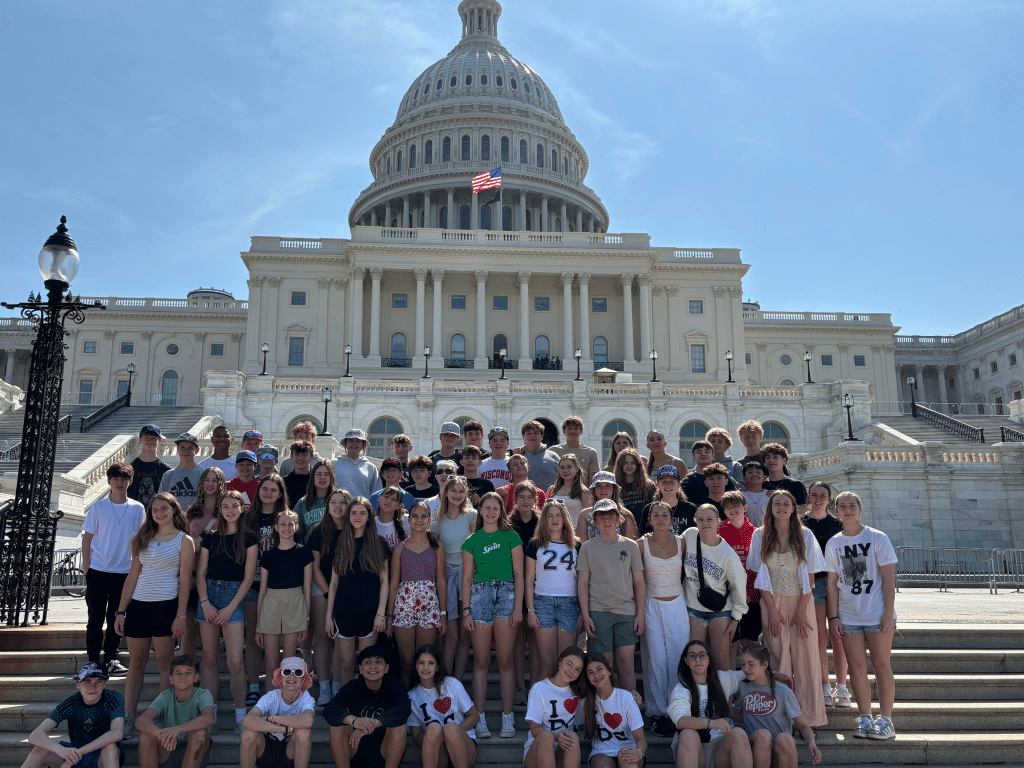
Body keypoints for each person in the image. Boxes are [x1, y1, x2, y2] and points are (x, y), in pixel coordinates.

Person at [114, 492, 195, 735]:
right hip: (138, 606)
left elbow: (184, 581)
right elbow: (132, 576)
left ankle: (159, 716)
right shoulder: (143, 538)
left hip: (166, 606)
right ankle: (129, 716)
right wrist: (121, 611)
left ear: (174, 510)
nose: (159, 513)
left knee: (164, 666)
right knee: (136, 664)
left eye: (164, 508)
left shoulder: (185, 540)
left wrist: (181, 615)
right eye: (154, 509)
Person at [745, 490, 827, 727]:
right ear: (770, 508)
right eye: (777, 503)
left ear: (793, 509)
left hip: (802, 601)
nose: (781, 507)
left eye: (786, 503)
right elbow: (760, 577)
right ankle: (782, 718)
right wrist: (772, 611)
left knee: (806, 659)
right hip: (772, 604)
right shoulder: (760, 536)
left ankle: (810, 718)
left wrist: (802, 612)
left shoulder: (806, 535)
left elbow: (810, 577)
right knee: (778, 657)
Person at [825, 491, 898, 740]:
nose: (847, 509)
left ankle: (886, 719)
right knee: (856, 667)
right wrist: (833, 617)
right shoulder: (834, 543)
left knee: (880, 664)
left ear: (860, 509)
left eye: (852, 505)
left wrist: (888, 613)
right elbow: (833, 583)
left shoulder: (877, 537)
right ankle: (865, 716)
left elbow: (889, 578)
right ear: (836, 511)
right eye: (842, 506)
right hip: (849, 615)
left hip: (876, 613)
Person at [461, 491, 525, 739]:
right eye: (486, 508)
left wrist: (518, 607)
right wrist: (466, 610)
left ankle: (508, 719)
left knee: (505, 661)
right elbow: (467, 578)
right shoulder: (472, 540)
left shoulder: (512, 537)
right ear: (480, 511)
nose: (490, 512)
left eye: (495, 508)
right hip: (480, 596)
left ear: (501, 511)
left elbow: (519, 574)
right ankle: (480, 719)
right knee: (481, 661)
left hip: (507, 594)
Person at [196, 490, 258, 733]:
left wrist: (231, 608)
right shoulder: (210, 538)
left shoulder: (250, 539)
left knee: (234, 661)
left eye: (235, 505)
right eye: (225, 506)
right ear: (219, 509)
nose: (230, 510)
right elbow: (200, 574)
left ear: (243, 508)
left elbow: (248, 578)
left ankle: (241, 715)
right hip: (209, 596)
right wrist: (205, 602)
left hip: (235, 598)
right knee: (210, 658)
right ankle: (208, 715)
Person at [83, 461, 146, 677]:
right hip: (98, 570)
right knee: (95, 617)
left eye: (124, 479)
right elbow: (87, 537)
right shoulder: (98, 507)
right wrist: (86, 566)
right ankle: (92, 661)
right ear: (109, 481)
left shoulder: (138, 508)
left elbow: (141, 540)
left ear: (130, 481)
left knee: (116, 617)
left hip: (125, 573)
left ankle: (111, 658)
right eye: (115, 479)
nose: (120, 483)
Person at [578, 499, 645, 695]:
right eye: (601, 517)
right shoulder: (587, 547)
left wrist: (640, 614)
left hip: (626, 612)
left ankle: (630, 710)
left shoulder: (631, 546)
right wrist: (586, 614)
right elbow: (582, 583)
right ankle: (604, 710)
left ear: (618, 519)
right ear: (595, 521)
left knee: (626, 664)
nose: (606, 520)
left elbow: (639, 582)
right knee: (603, 666)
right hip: (599, 612)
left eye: (611, 516)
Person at [637, 500, 689, 738]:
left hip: (677, 605)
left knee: (679, 658)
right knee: (656, 660)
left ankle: (680, 709)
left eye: (664, 515)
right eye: (655, 515)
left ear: (671, 519)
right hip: (651, 606)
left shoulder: (683, 542)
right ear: (649, 520)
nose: (659, 519)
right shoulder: (640, 545)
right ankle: (659, 712)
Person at [327, 497, 390, 683]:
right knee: (346, 662)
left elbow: (385, 580)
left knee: (367, 663)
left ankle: (364, 704)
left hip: (370, 611)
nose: (357, 516)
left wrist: (381, 613)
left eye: (362, 513)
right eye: (353, 512)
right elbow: (333, 583)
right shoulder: (339, 543)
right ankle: (346, 705)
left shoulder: (379, 543)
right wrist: (328, 616)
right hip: (344, 610)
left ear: (369, 517)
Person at [801, 481, 850, 708]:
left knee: (839, 637)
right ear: (809, 498)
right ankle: (824, 686)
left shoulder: (838, 525)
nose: (818, 499)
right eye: (814, 495)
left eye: (823, 495)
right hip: (814, 582)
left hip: (838, 584)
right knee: (820, 636)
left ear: (830, 499)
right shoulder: (801, 524)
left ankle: (842, 687)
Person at [682, 504, 747, 674]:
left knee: (720, 660)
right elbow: (671, 547)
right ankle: (698, 698)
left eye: (709, 519)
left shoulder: (728, 554)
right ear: (695, 521)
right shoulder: (689, 536)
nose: (705, 523)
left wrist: (736, 618)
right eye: (701, 519)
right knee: (694, 658)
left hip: (720, 611)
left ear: (718, 521)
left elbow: (739, 586)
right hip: (693, 607)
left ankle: (726, 700)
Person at [243, 473, 291, 706]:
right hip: (252, 584)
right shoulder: (247, 518)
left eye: (274, 489)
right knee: (254, 637)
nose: (269, 493)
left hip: (280, 586)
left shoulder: (286, 519)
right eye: (265, 489)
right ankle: (254, 686)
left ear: (281, 493)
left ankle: (282, 689)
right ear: (258, 492)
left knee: (281, 642)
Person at [20, 662, 124, 768]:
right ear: (78, 685)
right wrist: (61, 750)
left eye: (99, 681)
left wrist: (79, 752)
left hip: (99, 755)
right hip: (74, 753)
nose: (93, 687)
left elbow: (117, 733)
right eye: (87, 682)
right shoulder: (73, 702)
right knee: (40, 748)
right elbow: (34, 735)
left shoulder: (113, 699)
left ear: (105, 683)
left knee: (111, 747)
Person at [667, 640, 752, 768]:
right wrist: (711, 723)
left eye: (702, 655)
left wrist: (773, 676)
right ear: (686, 661)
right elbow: (680, 721)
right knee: (688, 734)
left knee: (738, 734)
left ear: (708, 660)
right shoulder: (681, 689)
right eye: (692, 656)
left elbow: (750, 673)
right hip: (694, 749)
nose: (698, 659)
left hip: (720, 748)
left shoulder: (722, 678)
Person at [387, 501, 447, 680]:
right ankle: (407, 704)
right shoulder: (400, 548)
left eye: (423, 517)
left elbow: (441, 582)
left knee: (424, 659)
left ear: (429, 520)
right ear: (409, 519)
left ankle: (424, 703)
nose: (419, 520)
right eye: (415, 516)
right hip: (404, 606)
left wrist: (443, 613)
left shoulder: (438, 548)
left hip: (429, 607)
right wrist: (389, 616)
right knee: (406, 662)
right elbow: (393, 583)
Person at [526, 500, 581, 692]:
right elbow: (528, 579)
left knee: (566, 662)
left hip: (570, 604)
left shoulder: (576, 545)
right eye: (549, 516)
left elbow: (582, 582)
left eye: (559, 515)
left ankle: (566, 712)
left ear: (565, 519)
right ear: (544, 520)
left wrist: (582, 611)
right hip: (543, 604)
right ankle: (541, 710)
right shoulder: (535, 545)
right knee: (547, 663)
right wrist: (530, 609)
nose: (554, 519)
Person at [324, 646, 411, 768]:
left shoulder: (395, 687)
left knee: (399, 726)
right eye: (367, 662)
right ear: (360, 669)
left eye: (379, 662)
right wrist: (355, 721)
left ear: (386, 668)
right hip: (355, 746)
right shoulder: (352, 687)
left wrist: (375, 723)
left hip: (384, 750)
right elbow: (329, 709)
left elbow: (404, 709)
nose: (373, 667)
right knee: (337, 725)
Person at [738, 644, 821, 767]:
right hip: (755, 746)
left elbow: (803, 725)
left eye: (751, 664)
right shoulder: (743, 686)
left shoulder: (783, 691)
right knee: (763, 735)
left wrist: (812, 743)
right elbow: (743, 713)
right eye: (743, 664)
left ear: (765, 665)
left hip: (779, 749)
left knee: (785, 739)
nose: (745, 668)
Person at [257, 509, 314, 690]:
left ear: (296, 527)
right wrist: (259, 625)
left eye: (291, 524)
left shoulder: (304, 553)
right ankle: (270, 705)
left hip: (296, 603)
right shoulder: (268, 556)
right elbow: (262, 591)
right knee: (271, 663)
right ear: (276, 527)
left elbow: (307, 588)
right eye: (283, 524)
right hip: (271, 604)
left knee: (289, 662)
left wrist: (305, 620)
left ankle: (288, 706)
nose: (287, 528)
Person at [431, 475, 477, 681]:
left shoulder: (472, 516)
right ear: (445, 493)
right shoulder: (436, 522)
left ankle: (457, 682)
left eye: (461, 491)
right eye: (453, 491)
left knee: (464, 635)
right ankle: (445, 680)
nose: (457, 495)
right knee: (451, 635)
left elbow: (475, 549)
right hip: (446, 577)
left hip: (468, 576)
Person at [308, 489, 352, 705]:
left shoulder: (354, 530)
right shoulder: (318, 532)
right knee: (323, 637)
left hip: (347, 591)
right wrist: (327, 592)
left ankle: (337, 685)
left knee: (340, 639)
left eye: (342, 503)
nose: (337, 507)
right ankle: (324, 686)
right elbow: (314, 567)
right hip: (322, 588)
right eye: (333, 502)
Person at [406, 644, 479, 768]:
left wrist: (452, 733)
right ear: (416, 666)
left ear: (437, 667)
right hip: (437, 750)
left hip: (463, 745)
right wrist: (435, 735)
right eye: (421, 663)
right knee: (434, 728)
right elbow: (417, 737)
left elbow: (474, 716)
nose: (425, 667)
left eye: (431, 663)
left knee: (450, 728)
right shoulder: (412, 696)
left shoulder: (452, 684)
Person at [137, 655, 215, 768]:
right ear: (171, 679)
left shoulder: (202, 694)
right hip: (168, 748)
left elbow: (209, 718)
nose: (183, 677)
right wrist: (161, 735)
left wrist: (178, 729)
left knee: (199, 734)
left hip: (195, 752)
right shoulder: (166, 696)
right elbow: (142, 720)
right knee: (146, 736)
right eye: (178, 673)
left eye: (188, 673)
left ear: (196, 677)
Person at [180, 467, 226, 659]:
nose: (210, 484)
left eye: (214, 480)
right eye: (206, 480)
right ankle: (186, 673)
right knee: (188, 632)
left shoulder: (226, 510)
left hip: (215, 577)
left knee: (213, 636)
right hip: (191, 576)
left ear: (221, 484)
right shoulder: (191, 511)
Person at [239, 657, 315, 768]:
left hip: (291, 752)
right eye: (287, 672)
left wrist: (272, 718)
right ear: (280, 676)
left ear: (303, 678)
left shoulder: (306, 698)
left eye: (298, 673)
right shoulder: (272, 696)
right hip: (265, 750)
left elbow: (308, 721)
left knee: (304, 732)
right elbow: (248, 721)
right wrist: (283, 729)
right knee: (248, 734)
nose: (292, 676)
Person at [716, 491, 762, 666]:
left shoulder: (756, 534)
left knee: (750, 641)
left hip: (752, 596)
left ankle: (752, 680)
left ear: (745, 508)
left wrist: (748, 592)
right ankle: (730, 689)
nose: (732, 510)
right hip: (728, 598)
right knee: (730, 641)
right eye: (728, 507)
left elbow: (758, 567)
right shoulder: (720, 532)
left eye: (736, 506)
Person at [523, 646, 585, 768]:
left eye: (577, 669)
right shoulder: (539, 688)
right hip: (539, 749)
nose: (572, 671)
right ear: (559, 661)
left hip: (563, 750)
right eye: (569, 664)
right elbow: (535, 729)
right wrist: (556, 736)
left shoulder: (577, 692)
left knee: (572, 736)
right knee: (546, 737)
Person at [581, 653, 646, 768]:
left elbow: (641, 739)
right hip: (602, 752)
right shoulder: (586, 701)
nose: (596, 675)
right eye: (590, 672)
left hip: (630, 749)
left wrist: (639, 751)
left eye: (599, 669)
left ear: (609, 671)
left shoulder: (625, 698)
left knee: (626, 758)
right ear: (588, 679)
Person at [510, 480, 542, 703]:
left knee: (537, 639)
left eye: (529, 498)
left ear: (535, 500)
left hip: (539, 584)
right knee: (518, 639)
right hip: (513, 583)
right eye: (521, 497)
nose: (525, 501)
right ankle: (520, 686)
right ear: (515, 499)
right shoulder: (508, 524)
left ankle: (536, 686)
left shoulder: (543, 523)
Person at [577, 472, 638, 544]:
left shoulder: (626, 514)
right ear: (594, 490)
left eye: (608, 486)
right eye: (599, 486)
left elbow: (630, 545)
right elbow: (582, 545)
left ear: (613, 489)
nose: (603, 489)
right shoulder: (584, 515)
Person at [637, 465, 696, 536]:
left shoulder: (690, 508)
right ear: (658, 484)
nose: (668, 485)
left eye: (672, 482)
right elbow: (643, 535)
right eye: (664, 482)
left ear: (679, 484)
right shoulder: (649, 509)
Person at [680, 442, 735, 509]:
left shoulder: (725, 479)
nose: (703, 454)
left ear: (713, 456)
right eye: (699, 452)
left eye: (707, 452)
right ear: (694, 457)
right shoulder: (687, 482)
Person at [547, 454, 593, 531]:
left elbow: (588, 517)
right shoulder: (552, 490)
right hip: (554, 532)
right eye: (562, 467)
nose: (565, 471)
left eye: (569, 467)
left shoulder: (584, 492)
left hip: (575, 532)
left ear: (577, 469)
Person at [158, 432, 203, 511]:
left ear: (197, 450)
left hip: (196, 520)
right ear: (177, 449)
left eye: (190, 447)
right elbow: (161, 502)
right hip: (173, 521)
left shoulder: (203, 474)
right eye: (182, 447)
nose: (186, 451)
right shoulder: (168, 475)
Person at [295, 459, 337, 542]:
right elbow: (297, 533)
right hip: (309, 551)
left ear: (331, 477)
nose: (322, 477)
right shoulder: (302, 503)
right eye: (318, 474)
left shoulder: (338, 500)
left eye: (326, 474)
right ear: (313, 477)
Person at [128, 424, 170, 506]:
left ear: (160, 441)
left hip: (158, 515)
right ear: (140, 439)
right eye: (146, 437)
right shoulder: (129, 469)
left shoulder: (166, 470)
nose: (150, 441)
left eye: (154, 438)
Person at [614, 449, 655, 530]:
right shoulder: (615, 487)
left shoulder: (649, 486)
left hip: (646, 531)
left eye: (633, 463)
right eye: (625, 463)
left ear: (638, 465)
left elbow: (654, 509)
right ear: (620, 465)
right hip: (624, 531)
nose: (629, 466)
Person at [336, 428, 383, 499]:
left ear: (364, 445)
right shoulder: (334, 463)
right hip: (339, 508)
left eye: (358, 441)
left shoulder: (371, 467)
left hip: (363, 508)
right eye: (350, 440)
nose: (354, 443)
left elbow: (377, 493)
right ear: (345, 444)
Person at [759, 444, 806, 513]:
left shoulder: (796, 485)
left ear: (784, 461)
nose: (771, 460)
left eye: (775, 457)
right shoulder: (761, 485)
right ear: (764, 462)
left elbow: (804, 508)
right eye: (768, 457)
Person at [519, 421, 560, 490]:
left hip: (550, 500)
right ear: (523, 437)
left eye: (536, 433)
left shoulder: (554, 457)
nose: (532, 436)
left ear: (542, 437)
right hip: (524, 499)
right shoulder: (517, 457)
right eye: (529, 433)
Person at [284, 441, 316, 509]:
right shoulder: (283, 482)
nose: (300, 458)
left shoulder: (317, 481)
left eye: (305, 455)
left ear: (312, 458)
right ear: (291, 456)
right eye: (297, 454)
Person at [739, 462, 770, 528]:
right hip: (745, 534)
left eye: (758, 472)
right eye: (750, 472)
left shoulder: (770, 495)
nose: (754, 474)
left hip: (766, 533)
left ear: (765, 478)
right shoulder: (739, 496)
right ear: (744, 479)